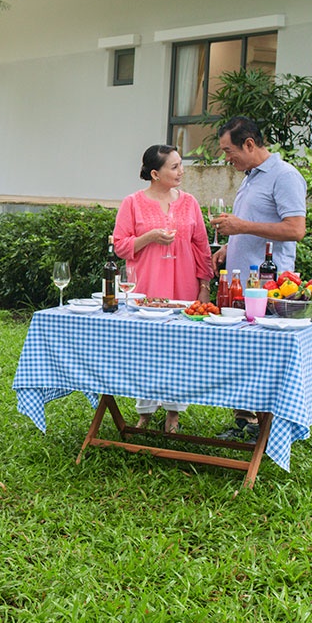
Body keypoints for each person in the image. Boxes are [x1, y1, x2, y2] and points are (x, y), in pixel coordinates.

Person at [211, 115, 307, 437]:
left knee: (263, 360)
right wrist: (229, 245)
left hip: (269, 287)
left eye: (229, 151)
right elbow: (253, 224)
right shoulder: (251, 176)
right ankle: (244, 422)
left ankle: (267, 429)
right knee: (239, 357)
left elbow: (296, 230)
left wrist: (241, 227)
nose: (226, 158)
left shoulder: (285, 176)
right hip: (241, 284)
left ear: (249, 144)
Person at [112, 144, 213, 433]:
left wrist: (204, 284)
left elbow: (201, 246)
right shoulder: (132, 203)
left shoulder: (190, 202)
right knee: (146, 349)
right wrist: (150, 237)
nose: (181, 171)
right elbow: (120, 246)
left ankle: (174, 411)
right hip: (147, 286)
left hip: (183, 285)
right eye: (175, 167)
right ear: (155, 173)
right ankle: (144, 410)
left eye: (181, 165)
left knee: (179, 349)